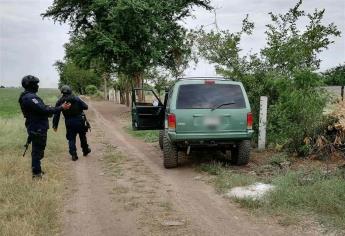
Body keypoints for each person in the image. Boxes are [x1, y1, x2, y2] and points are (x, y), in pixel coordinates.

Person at [18, 75, 71, 179]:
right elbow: (43, 110)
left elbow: (40, 108)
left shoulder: (27, 96)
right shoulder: (30, 97)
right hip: (37, 127)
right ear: (31, 85)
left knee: (37, 150)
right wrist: (61, 107)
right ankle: (37, 174)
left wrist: (48, 107)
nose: (37, 86)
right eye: (36, 84)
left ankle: (37, 171)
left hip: (35, 125)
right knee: (37, 151)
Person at [53, 85, 91, 161]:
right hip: (80, 120)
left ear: (62, 92)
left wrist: (55, 125)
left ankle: (73, 155)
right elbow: (86, 107)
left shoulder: (60, 101)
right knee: (82, 136)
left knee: (71, 138)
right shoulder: (76, 98)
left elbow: (56, 113)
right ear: (70, 91)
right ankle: (85, 151)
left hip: (69, 122)